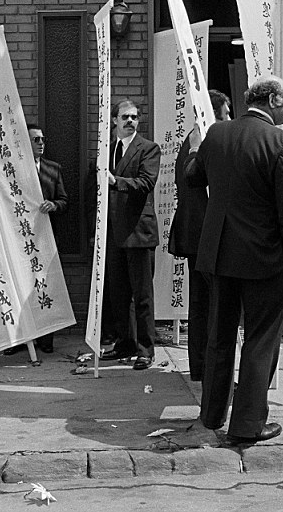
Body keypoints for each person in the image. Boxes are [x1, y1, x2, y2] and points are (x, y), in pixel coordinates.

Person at [185, 75, 283, 444]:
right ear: (271, 100)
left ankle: (211, 415)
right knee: (260, 341)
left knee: (219, 336)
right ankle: (247, 425)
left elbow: (193, 179)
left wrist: (197, 153)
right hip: (264, 258)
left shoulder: (217, 135)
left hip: (219, 255)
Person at [168, 90, 231, 382]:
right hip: (207, 235)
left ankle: (200, 367)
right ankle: (208, 370)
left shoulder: (193, 142)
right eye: (226, 112)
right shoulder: (204, 144)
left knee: (201, 305)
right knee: (212, 307)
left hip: (195, 234)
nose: (230, 118)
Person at [101, 100, 161, 371]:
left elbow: (146, 183)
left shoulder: (148, 149)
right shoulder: (107, 150)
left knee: (142, 295)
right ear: (114, 120)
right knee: (118, 294)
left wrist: (116, 182)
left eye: (134, 117)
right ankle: (125, 343)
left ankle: (145, 349)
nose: (130, 121)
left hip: (138, 232)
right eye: (125, 117)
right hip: (113, 233)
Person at [3, 124, 69, 356]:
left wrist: (54, 205)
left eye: (43, 139)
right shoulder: (12, 169)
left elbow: (64, 200)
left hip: (45, 238)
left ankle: (46, 337)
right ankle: (21, 338)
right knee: (20, 287)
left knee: (45, 286)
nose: (41, 143)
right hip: (19, 238)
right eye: (36, 140)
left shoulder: (53, 169)